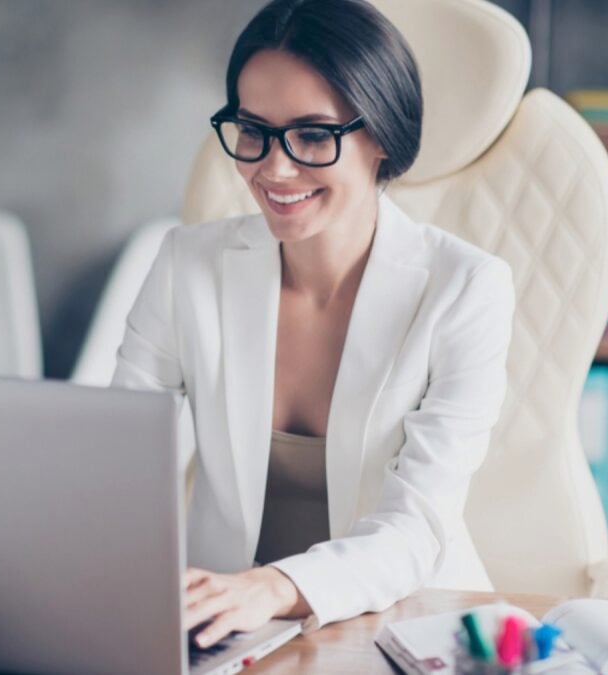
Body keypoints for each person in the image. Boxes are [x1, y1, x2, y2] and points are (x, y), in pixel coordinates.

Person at [113, 0, 515, 647]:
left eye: (311, 134)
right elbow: (116, 465)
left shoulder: (466, 289)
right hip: (227, 634)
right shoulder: (185, 264)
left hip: (403, 630)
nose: (273, 167)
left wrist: (270, 586)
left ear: (380, 135)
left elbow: (416, 528)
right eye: (253, 130)